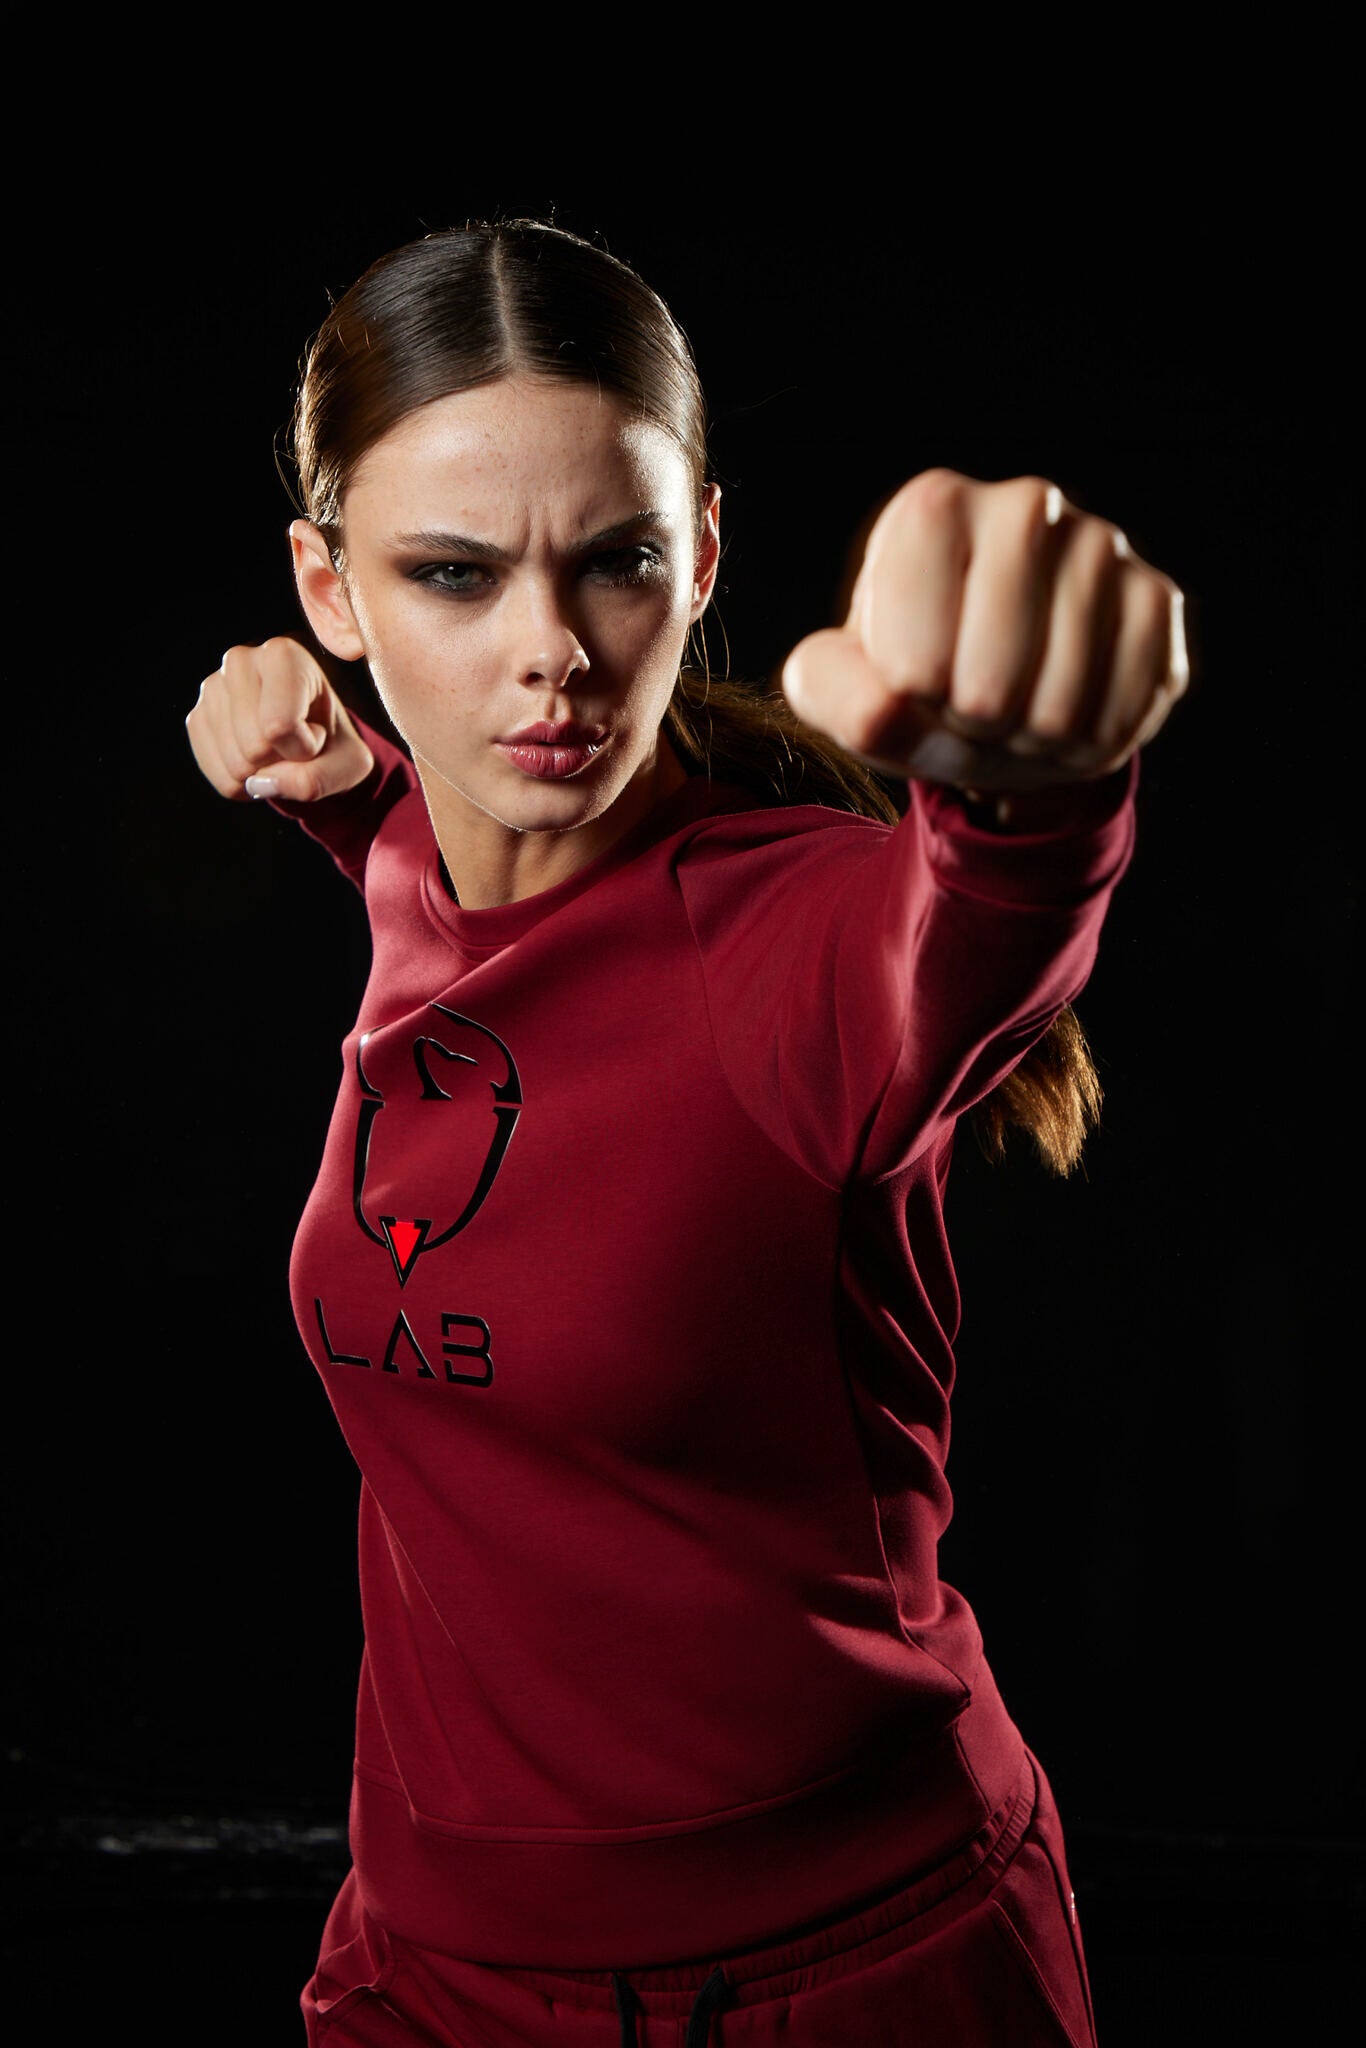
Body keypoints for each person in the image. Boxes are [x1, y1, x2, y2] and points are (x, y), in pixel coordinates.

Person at [186, 220, 1187, 2047]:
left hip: (830, 1972)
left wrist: (1040, 789)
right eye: (453, 575)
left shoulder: (790, 939)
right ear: (332, 591)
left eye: (618, 562)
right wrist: (320, 772)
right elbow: (469, 902)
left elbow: (959, 930)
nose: (551, 654)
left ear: (703, 551)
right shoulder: (414, 839)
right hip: (428, 1959)